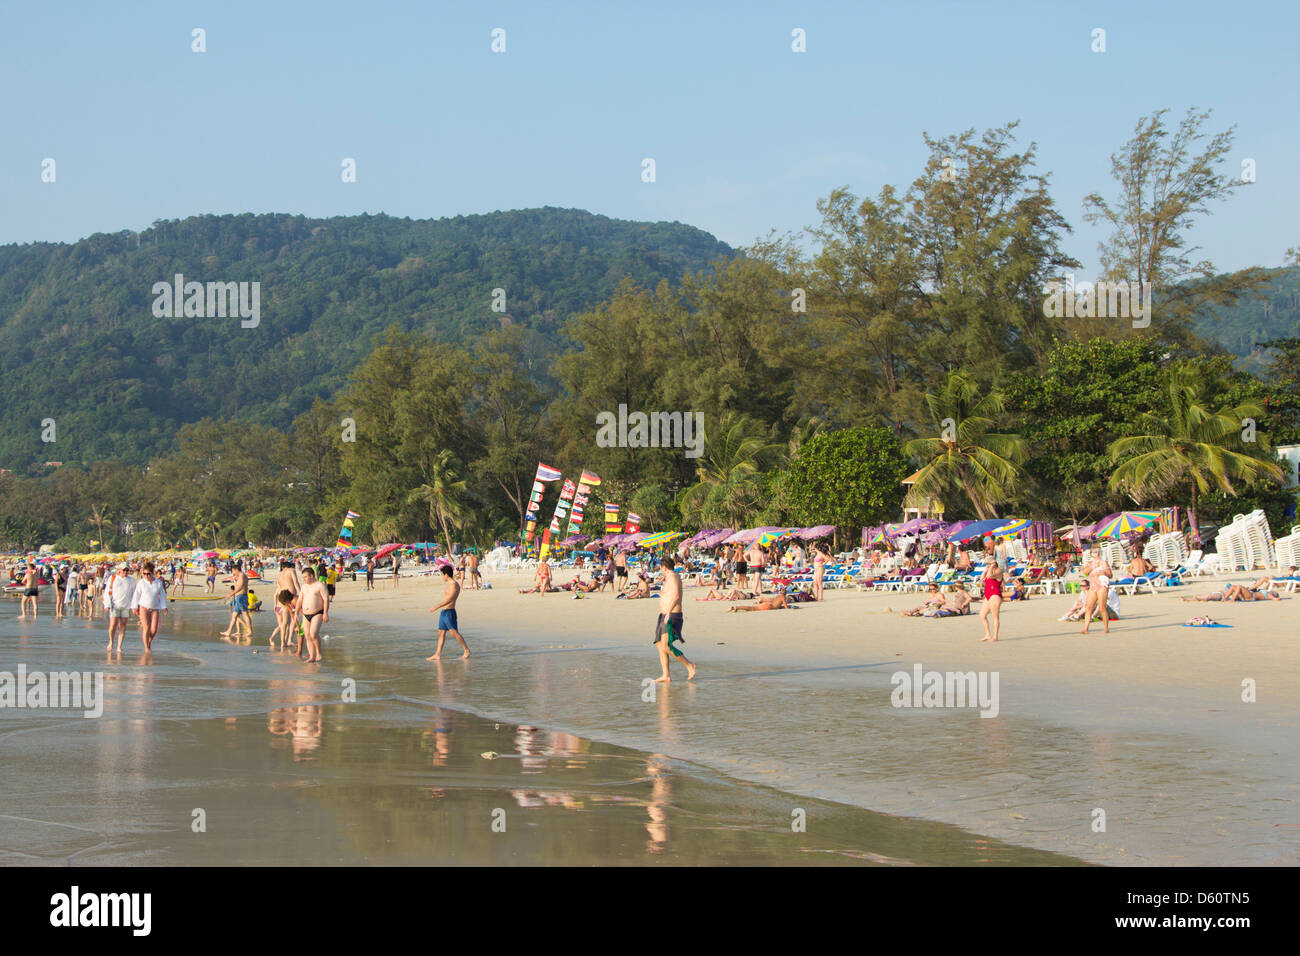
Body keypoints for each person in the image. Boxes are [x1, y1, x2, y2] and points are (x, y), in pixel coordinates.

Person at [652, 556, 694, 682]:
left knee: (666, 646)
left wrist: (669, 612)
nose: (660, 570)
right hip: (664, 615)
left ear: (664, 567)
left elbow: (675, 595)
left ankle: (689, 665)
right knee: (659, 645)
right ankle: (666, 675)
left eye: (661, 568)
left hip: (672, 615)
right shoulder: (668, 577)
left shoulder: (673, 577)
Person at [427, 565, 470, 660]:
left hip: (450, 612)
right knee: (441, 633)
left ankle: (466, 650)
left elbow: (451, 599)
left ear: (446, 574)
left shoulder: (454, 584)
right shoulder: (449, 584)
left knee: (454, 632)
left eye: (442, 575)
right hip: (444, 612)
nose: (442, 577)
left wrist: (436, 606)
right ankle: (437, 654)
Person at [131, 562, 169, 651]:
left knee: (154, 630)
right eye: (144, 574)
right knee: (146, 627)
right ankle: (146, 648)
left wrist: (164, 607)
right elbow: (136, 595)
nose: (146, 576)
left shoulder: (158, 583)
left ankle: (149, 641)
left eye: (148, 574)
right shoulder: (141, 583)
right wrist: (134, 607)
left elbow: (162, 595)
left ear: (152, 573)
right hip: (143, 606)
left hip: (155, 607)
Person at [298, 567, 329, 663]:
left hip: (317, 613)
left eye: (306, 577)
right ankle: (312, 656)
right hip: (305, 614)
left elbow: (326, 600)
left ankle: (319, 653)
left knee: (313, 634)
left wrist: (325, 613)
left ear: (311, 576)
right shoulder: (304, 587)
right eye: (303, 577)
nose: (304, 579)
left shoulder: (320, 585)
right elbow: (300, 600)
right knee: (307, 635)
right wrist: (296, 613)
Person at [1079, 546, 1112, 635]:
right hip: (1093, 586)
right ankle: (1086, 628)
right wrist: (1093, 566)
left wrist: (1104, 572)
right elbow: (1085, 572)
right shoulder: (1089, 563)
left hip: (1101, 586)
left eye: (1098, 552)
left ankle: (1106, 628)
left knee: (1102, 607)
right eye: (1094, 552)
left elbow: (1110, 575)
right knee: (1089, 607)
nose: (1096, 553)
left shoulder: (1104, 563)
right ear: (1091, 554)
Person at [105, 564, 136, 651]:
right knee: (113, 626)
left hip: (126, 606)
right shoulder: (113, 578)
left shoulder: (131, 581)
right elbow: (107, 591)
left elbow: (135, 594)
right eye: (124, 570)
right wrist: (106, 604)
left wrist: (135, 606)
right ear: (119, 570)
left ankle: (119, 646)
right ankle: (111, 642)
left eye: (127, 570)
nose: (125, 572)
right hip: (115, 605)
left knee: (123, 626)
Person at [221, 562, 253, 640]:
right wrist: (235, 580)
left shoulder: (242, 575)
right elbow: (237, 586)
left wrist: (231, 594)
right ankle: (228, 631)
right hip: (239, 597)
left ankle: (249, 631)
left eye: (233, 571)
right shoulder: (239, 576)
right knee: (234, 615)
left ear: (236, 569)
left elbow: (240, 587)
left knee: (245, 614)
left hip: (241, 597)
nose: (233, 572)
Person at [979, 565, 1004, 642]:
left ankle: (995, 636)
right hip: (988, 595)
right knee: (982, 615)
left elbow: (990, 576)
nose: (988, 565)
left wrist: (990, 568)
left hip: (995, 595)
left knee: (995, 616)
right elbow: (981, 580)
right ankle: (988, 634)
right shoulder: (989, 571)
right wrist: (985, 571)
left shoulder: (998, 571)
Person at [726, 591, 791, 612]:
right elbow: (786, 607)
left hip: (768, 604)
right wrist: (790, 607)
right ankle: (735, 607)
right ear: (785, 594)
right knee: (752, 609)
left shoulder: (778, 596)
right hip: (768, 606)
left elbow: (777, 605)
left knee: (752, 608)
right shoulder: (783, 597)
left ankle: (736, 607)